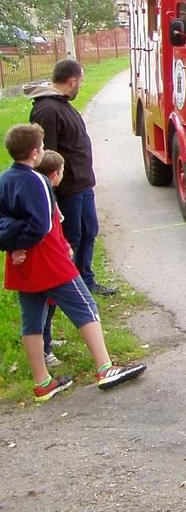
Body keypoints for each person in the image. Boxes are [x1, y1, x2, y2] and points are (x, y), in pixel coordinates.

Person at [0, 124, 145, 401]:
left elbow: (3, 222)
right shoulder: (37, 181)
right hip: (49, 261)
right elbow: (41, 225)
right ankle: (105, 367)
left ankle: (42, 382)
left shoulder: (4, 179)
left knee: (31, 321)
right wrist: (24, 240)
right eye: (42, 148)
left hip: (22, 264)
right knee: (85, 306)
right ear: (35, 152)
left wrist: (13, 244)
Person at [28, 59, 116, 297]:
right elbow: (45, 156)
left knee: (89, 231)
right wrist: (50, 194)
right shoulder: (47, 109)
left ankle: (85, 280)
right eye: (81, 80)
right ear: (72, 80)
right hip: (67, 189)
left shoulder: (62, 104)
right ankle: (66, 287)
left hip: (82, 184)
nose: (81, 85)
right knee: (71, 237)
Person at [35, 150, 65, 368]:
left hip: (57, 256)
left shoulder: (49, 195)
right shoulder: (45, 198)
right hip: (49, 263)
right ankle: (45, 351)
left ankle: (48, 340)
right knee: (43, 309)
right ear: (55, 175)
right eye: (62, 171)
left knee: (50, 307)